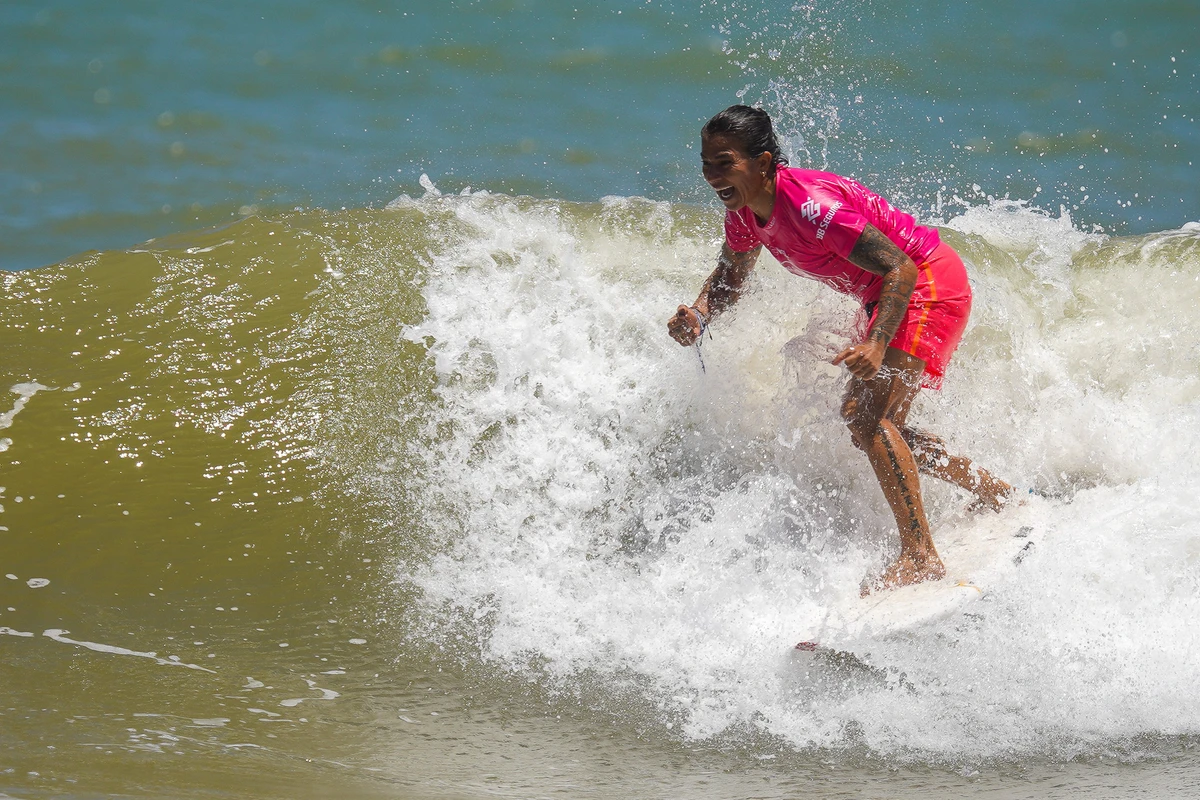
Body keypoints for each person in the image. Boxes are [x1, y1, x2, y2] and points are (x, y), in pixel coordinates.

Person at [668, 104, 1013, 592]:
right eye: (706, 163)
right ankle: (997, 493)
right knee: (876, 424)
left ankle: (920, 556)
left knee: (865, 415)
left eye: (724, 163)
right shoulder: (744, 213)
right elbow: (730, 277)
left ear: (763, 163)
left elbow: (901, 268)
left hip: (926, 284)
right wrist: (699, 315)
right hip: (884, 297)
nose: (711, 175)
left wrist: (876, 343)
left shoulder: (810, 207)